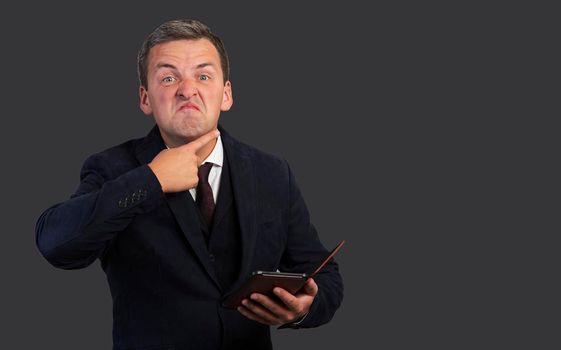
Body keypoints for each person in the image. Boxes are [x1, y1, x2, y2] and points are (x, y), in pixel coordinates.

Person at [35, 19, 343, 350]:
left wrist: (302, 310)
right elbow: (55, 243)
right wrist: (151, 179)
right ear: (145, 98)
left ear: (226, 94)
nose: (187, 89)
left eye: (203, 75)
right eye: (168, 78)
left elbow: (326, 277)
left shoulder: (272, 172)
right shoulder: (112, 168)